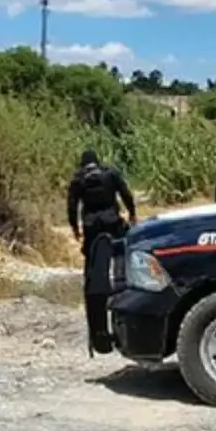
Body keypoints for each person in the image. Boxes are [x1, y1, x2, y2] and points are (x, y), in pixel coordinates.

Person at [68, 148, 137, 356]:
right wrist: (132, 213)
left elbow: (71, 207)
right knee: (121, 262)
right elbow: (125, 193)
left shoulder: (78, 179)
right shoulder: (110, 173)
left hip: (92, 229)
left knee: (94, 271)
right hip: (113, 224)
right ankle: (121, 286)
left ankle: (98, 329)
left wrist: (75, 228)